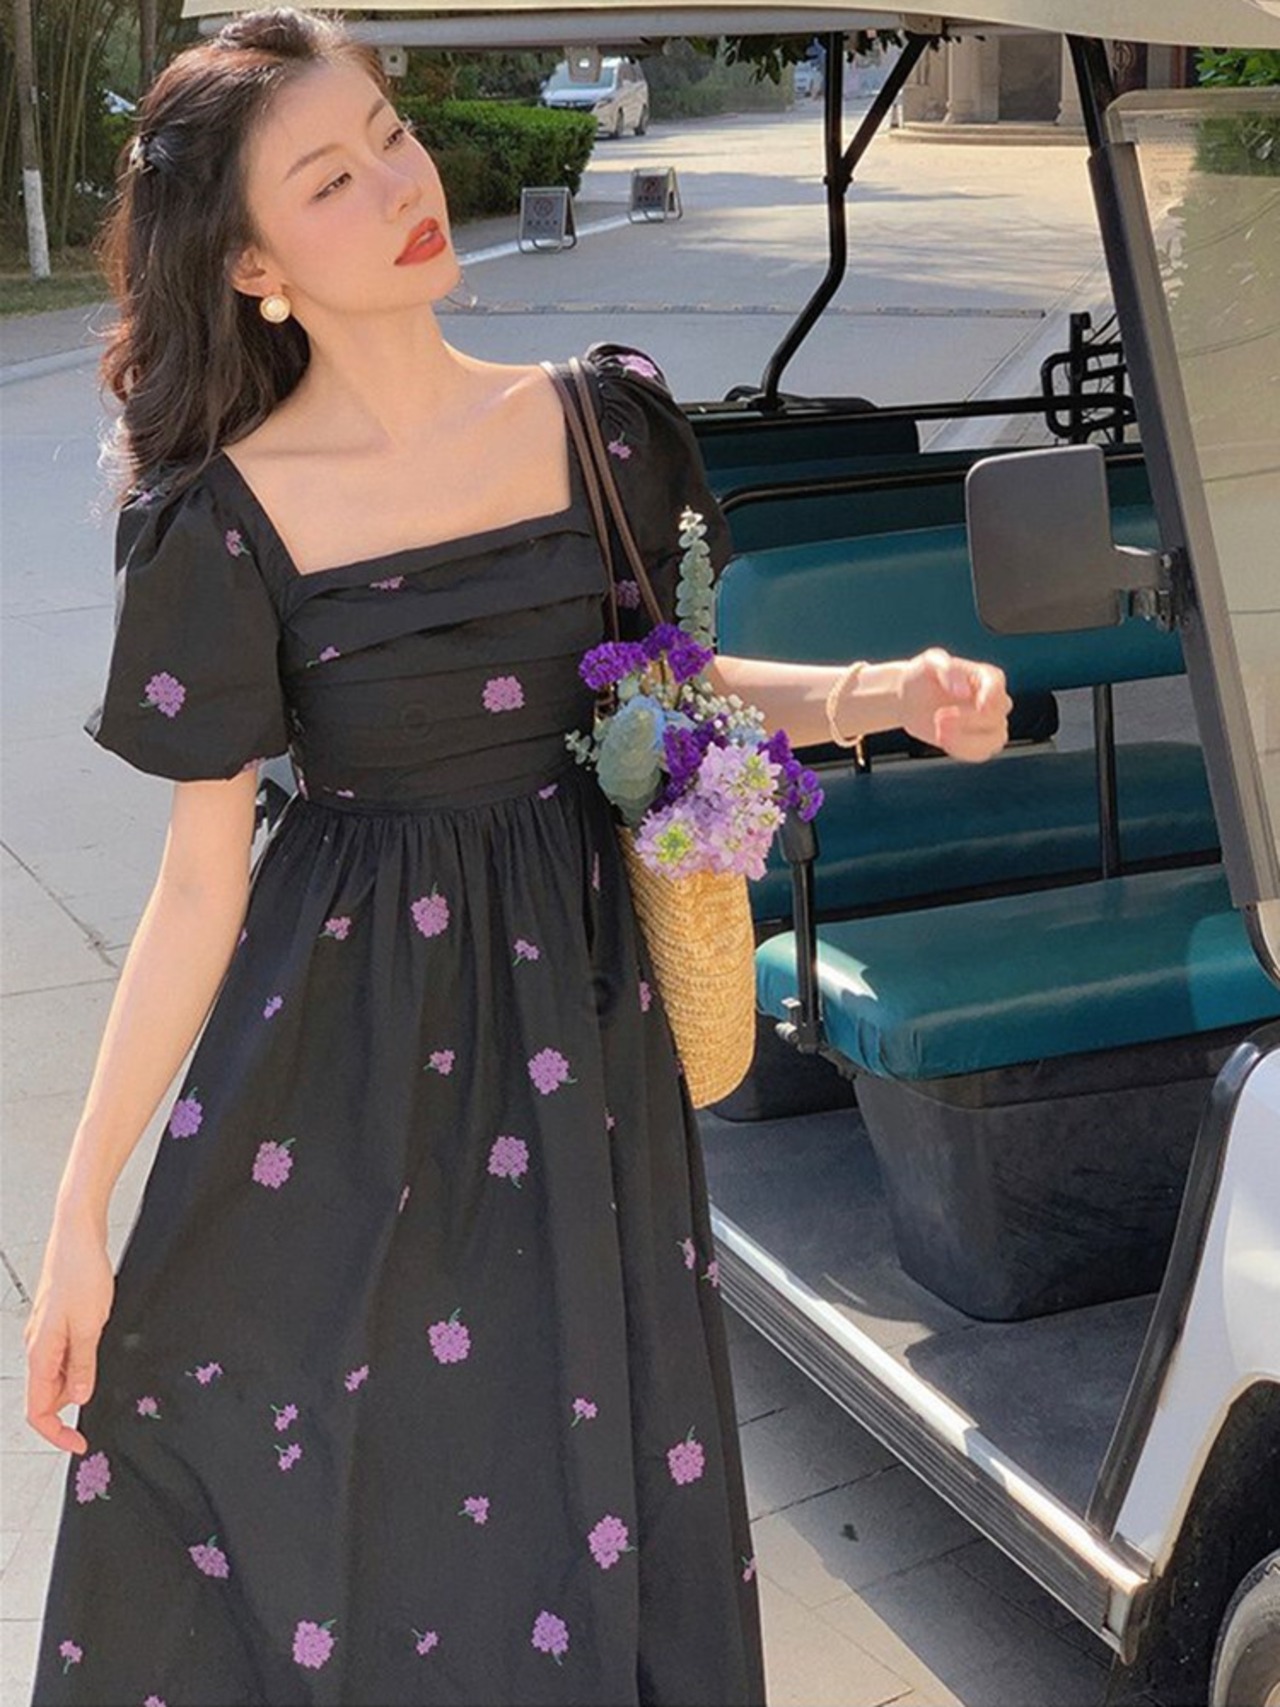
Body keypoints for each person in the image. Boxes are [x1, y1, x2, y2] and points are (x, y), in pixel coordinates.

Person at [23, 10, 1012, 1704]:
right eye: (331, 182)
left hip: (581, 1040)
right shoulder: (219, 520)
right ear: (254, 266)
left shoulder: (600, 426)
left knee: (581, 1477)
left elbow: (663, 685)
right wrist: (79, 1208)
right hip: (340, 1069)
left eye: (390, 137)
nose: (401, 186)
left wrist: (883, 694)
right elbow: (198, 884)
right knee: (304, 1476)